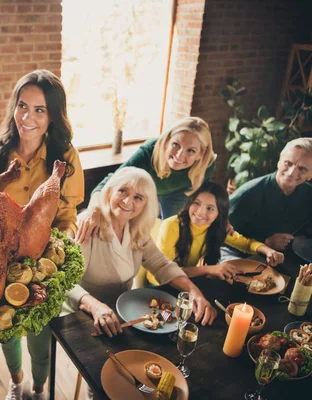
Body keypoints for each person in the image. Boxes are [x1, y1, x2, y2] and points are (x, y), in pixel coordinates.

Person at [0, 69, 84, 400]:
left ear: (53, 116)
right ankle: (16, 380)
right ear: (14, 107)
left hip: (43, 266)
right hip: (0, 264)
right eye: (23, 106)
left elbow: (68, 215)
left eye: (40, 110)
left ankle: (38, 387)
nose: (28, 117)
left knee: (40, 334)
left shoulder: (66, 159)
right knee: (5, 331)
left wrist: (61, 242)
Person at [63, 167, 217, 339]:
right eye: (122, 191)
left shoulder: (137, 229)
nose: (128, 201)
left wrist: (193, 290)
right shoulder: (88, 224)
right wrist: (94, 306)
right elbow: (65, 281)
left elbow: (161, 264)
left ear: (145, 205)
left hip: (121, 313)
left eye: (138, 197)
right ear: (109, 192)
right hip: (82, 314)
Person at [75, 116, 217, 243]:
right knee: (134, 230)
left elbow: (203, 198)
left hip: (178, 194)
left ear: (201, 154)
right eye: (176, 145)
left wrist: (220, 221)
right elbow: (111, 181)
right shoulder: (150, 150)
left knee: (172, 236)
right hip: (143, 192)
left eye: (191, 150)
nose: (179, 155)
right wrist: (93, 210)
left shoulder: (207, 163)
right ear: (167, 141)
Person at [145, 182, 284, 286]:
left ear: (219, 214)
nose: (200, 212)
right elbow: (165, 272)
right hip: (160, 284)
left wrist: (268, 251)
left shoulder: (216, 227)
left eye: (210, 208)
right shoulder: (172, 225)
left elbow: (246, 243)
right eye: (197, 203)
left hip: (186, 283)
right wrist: (209, 269)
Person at [227, 137, 312, 258]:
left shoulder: (309, 194)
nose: (292, 173)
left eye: (302, 169)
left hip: (281, 254)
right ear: (279, 161)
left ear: (310, 175)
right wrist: (265, 241)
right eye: (288, 163)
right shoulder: (246, 194)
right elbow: (220, 234)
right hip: (238, 252)